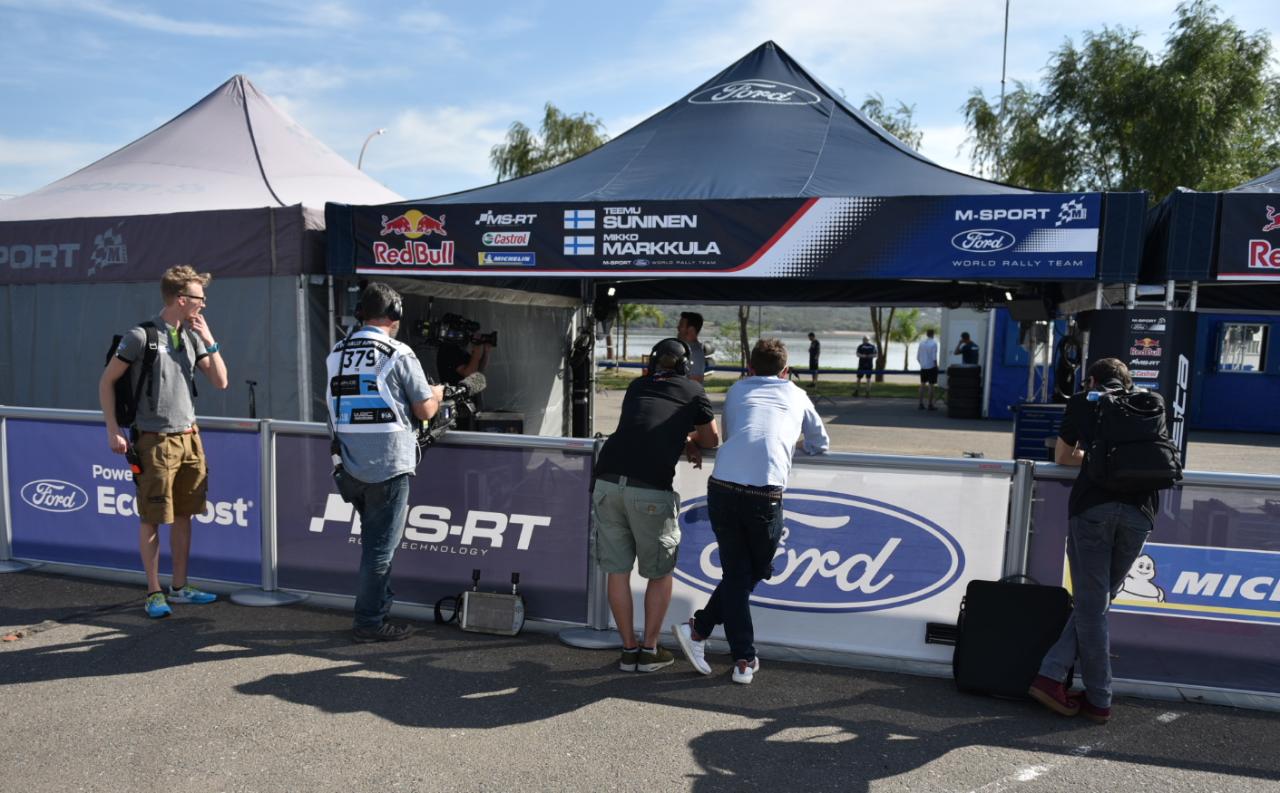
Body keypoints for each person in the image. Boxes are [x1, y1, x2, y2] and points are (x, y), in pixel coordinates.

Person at [671, 338, 829, 684]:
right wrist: (792, 443)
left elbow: (733, 436)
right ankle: (743, 657)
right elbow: (821, 443)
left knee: (740, 575)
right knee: (747, 574)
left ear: (750, 368)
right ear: (786, 372)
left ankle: (700, 629)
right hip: (764, 494)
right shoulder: (798, 395)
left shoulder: (738, 390)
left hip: (723, 487)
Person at [1028, 358, 1160, 725]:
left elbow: (1064, 456)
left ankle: (1096, 697)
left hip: (1094, 509)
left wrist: (1097, 458)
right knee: (1096, 603)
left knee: (1091, 605)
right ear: (1128, 381)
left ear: (1092, 380)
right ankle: (1051, 675)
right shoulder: (1151, 402)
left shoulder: (1084, 402)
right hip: (1140, 513)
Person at [99, 265, 229, 619]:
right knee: (152, 518)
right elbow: (107, 381)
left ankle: (181, 587)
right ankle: (154, 592)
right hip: (153, 441)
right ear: (181, 299)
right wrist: (113, 429)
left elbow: (221, 381)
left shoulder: (190, 336)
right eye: (200, 299)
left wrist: (209, 338)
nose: (204, 305)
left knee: (185, 516)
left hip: (189, 438)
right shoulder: (140, 336)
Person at [593, 339, 720, 672]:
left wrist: (680, 438)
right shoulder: (693, 391)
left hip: (607, 480)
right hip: (649, 486)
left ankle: (628, 649)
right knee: (660, 573)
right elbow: (711, 440)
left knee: (617, 571)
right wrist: (689, 440)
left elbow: (643, 425)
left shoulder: (637, 385)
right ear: (685, 366)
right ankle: (649, 651)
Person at [328, 283, 444, 643]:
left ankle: (379, 608)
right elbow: (424, 409)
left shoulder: (337, 351)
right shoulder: (397, 351)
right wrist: (437, 394)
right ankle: (369, 622)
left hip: (348, 465)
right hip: (388, 466)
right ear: (395, 313)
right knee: (379, 551)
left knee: (375, 545)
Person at [677, 311, 707, 383]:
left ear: (691, 330)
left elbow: (695, 382)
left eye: (681, 325)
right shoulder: (685, 350)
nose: (677, 328)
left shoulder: (695, 354)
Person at [916, 328, 940, 410]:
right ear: (933, 334)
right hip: (931, 367)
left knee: (922, 385)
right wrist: (936, 366)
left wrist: (922, 364)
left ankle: (920, 403)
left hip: (923, 367)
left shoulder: (921, 343)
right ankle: (930, 404)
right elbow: (934, 357)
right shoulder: (934, 343)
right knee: (931, 386)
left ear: (926, 334)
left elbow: (918, 357)